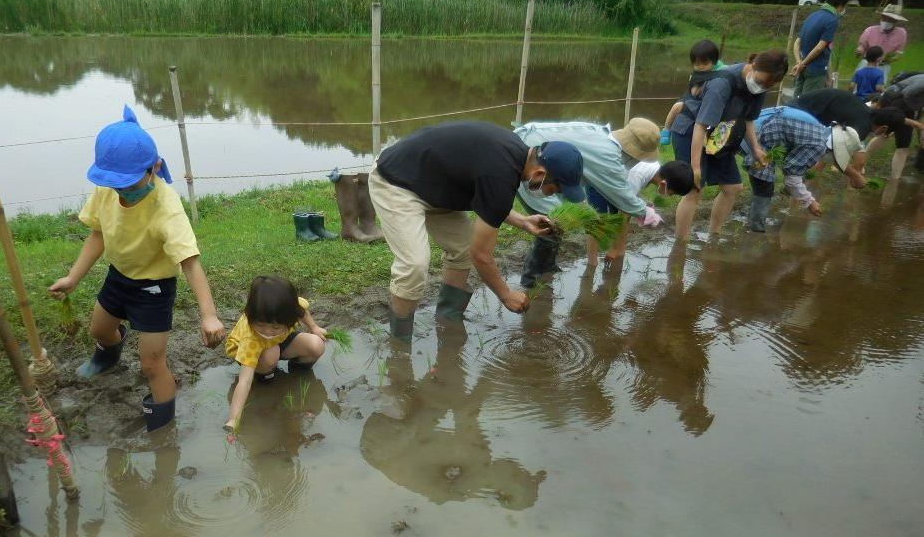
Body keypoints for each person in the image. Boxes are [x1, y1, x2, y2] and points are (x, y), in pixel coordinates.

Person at [48, 106, 225, 432]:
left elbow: (190, 261)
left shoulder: (166, 207)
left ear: (154, 167)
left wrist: (209, 314)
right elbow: (98, 234)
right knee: (99, 330)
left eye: (129, 184)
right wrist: (73, 277)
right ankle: (108, 355)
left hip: (154, 290)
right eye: (117, 186)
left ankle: (162, 423)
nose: (123, 192)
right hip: (119, 276)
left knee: (152, 363)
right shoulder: (108, 188)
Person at [368, 120, 586, 341]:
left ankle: (447, 320)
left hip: (434, 185)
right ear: (539, 174)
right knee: (414, 265)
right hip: (396, 181)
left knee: (461, 249)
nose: (552, 195)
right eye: (555, 188)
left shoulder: (514, 154)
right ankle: (400, 344)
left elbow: (489, 196)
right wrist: (506, 295)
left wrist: (522, 221)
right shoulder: (501, 173)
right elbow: (481, 255)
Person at [513, 119, 670, 280]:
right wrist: (645, 212)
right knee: (549, 223)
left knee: (555, 222)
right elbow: (620, 194)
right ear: (634, 153)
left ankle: (547, 267)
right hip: (533, 163)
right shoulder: (607, 155)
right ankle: (532, 278)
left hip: (538, 152)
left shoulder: (603, 137)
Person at [671, 50, 788, 240]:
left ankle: (714, 236)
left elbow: (748, 119)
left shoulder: (759, 88)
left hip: (720, 134)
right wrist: (695, 167)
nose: (762, 87)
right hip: (691, 131)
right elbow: (701, 125)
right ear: (754, 66)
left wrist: (756, 148)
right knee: (695, 188)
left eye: (768, 85)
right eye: (761, 82)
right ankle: (681, 244)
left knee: (733, 187)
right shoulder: (722, 83)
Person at [223, 276, 327, 432]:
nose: (267, 331)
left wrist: (314, 327)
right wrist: (233, 419)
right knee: (271, 354)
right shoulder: (251, 337)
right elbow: (244, 382)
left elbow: (302, 310)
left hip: (279, 343)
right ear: (250, 316)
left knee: (316, 345)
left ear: (290, 318)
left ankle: (297, 373)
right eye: (260, 324)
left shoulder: (289, 307)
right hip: (253, 352)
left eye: (275, 327)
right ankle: (266, 377)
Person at [741, 107, 866, 231]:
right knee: (765, 184)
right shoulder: (818, 145)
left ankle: (751, 220)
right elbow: (792, 180)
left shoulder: (820, 130)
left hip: (757, 123)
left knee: (762, 180)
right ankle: (755, 229)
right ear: (834, 150)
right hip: (756, 132)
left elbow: (790, 164)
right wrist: (810, 202)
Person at [792, 88, 921, 181]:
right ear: (883, 128)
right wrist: (856, 177)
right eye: (886, 134)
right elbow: (835, 156)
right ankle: (796, 195)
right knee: (807, 156)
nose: (884, 136)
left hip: (806, 107)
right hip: (799, 113)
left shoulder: (868, 114)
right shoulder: (861, 129)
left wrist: (916, 124)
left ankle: (806, 180)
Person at [661, 39, 726, 143]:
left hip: (703, 105)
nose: (700, 67)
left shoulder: (720, 73)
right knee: (676, 106)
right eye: (697, 64)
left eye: (704, 64)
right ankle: (666, 131)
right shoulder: (697, 74)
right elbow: (694, 92)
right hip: (692, 100)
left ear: (714, 62)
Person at [792, 0, 853, 96]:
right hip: (815, 70)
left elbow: (797, 42)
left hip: (802, 68)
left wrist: (799, 63)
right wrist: (804, 63)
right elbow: (820, 47)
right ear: (841, 4)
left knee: (795, 100)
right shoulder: (832, 20)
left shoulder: (813, 15)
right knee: (809, 103)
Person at [879, 73, 924, 178]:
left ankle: (895, 178)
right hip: (898, 101)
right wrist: (909, 120)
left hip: (904, 104)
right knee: (888, 134)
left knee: (901, 143)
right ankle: (861, 160)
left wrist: (920, 131)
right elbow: (906, 94)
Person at [855, 4, 908, 84]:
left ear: (896, 21)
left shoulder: (901, 33)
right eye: (884, 18)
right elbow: (862, 46)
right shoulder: (870, 30)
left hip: (884, 66)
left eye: (890, 19)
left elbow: (899, 53)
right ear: (881, 17)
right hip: (867, 63)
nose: (886, 21)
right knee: (858, 85)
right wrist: (859, 50)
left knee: (878, 89)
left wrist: (890, 58)